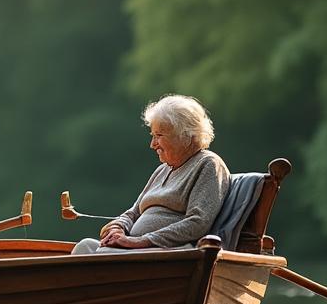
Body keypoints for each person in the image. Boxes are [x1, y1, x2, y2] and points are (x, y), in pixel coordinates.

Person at [72, 94, 230, 255]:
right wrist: (118, 227)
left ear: (186, 136)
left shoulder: (208, 164)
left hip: (169, 253)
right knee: (84, 247)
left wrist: (142, 241)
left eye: (159, 136)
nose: (153, 144)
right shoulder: (162, 170)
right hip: (138, 249)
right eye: (153, 136)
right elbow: (133, 212)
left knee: (100, 257)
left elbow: (198, 223)